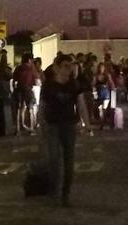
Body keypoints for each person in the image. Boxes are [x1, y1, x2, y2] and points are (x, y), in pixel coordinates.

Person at [40, 54, 94, 207]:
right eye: (65, 66)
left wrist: (86, 124)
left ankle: (65, 194)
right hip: (53, 126)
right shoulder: (48, 86)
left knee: (69, 162)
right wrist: (41, 125)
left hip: (69, 126)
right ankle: (53, 192)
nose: (68, 70)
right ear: (56, 67)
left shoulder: (74, 85)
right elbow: (42, 107)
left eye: (70, 66)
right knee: (54, 160)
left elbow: (81, 104)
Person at [13, 53, 37, 134]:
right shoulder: (31, 68)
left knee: (20, 109)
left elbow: (14, 79)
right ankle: (31, 128)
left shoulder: (18, 68)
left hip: (19, 89)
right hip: (28, 90)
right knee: (30, 109)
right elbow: (35, 81)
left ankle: (18, 129)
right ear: (29, 59)